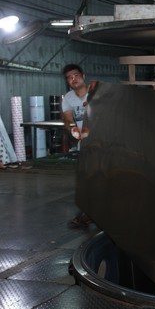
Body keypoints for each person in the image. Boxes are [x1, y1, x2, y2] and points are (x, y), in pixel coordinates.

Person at [62, 64, 93, 228]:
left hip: (104, 143)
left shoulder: (95, 93)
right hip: (85, 145)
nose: (73, 79)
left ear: (83, 76)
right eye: (69, 77)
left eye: (76, 75)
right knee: (86, 180)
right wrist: (75, 132)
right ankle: (88, 214)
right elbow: (68, 120)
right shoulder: (68, 98)